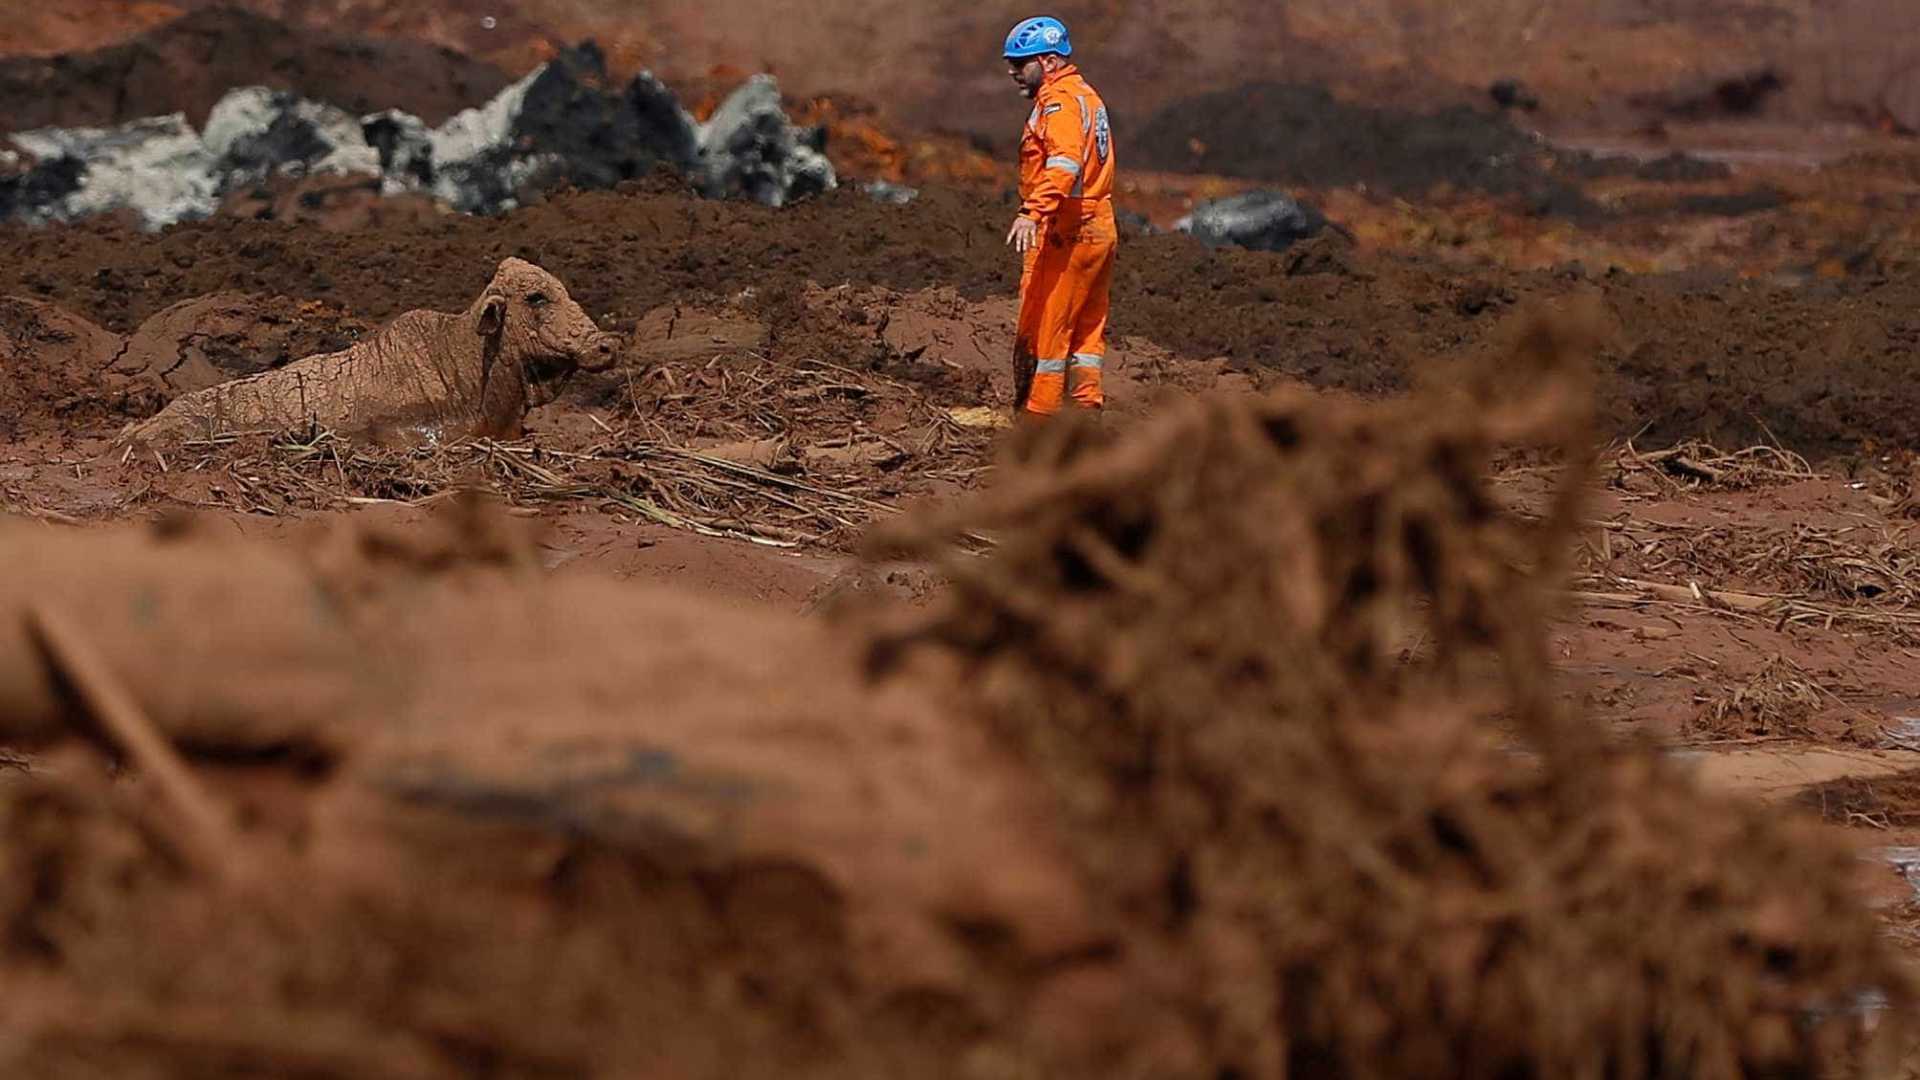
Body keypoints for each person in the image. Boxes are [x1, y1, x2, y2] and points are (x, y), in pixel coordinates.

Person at [1002, 16, 1116, 420]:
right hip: (1097, 223)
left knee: (1051, 326)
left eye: (1021, 63)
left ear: (1049, 61)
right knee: (1087, 326)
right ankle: (1086, 411)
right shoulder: (1087, 96)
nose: (1013, 72)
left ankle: (1040, 421)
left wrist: (1033, 212)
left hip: (1071, 227)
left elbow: (1064, 165)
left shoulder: (1061, 103)